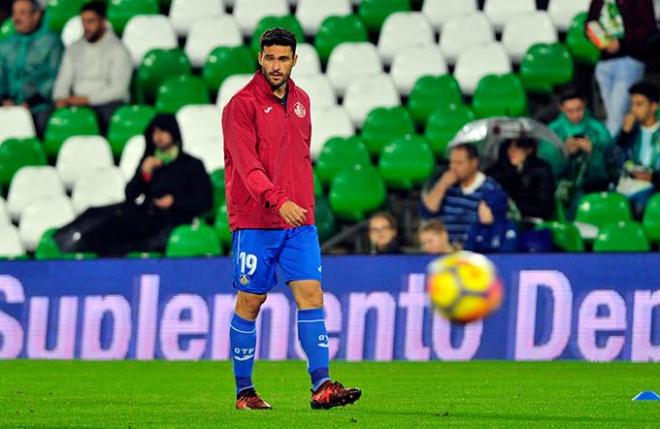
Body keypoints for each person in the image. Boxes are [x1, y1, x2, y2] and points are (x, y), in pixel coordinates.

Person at [221, 28, 361, 410]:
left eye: (283, 58)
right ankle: (244, 392)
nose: (276, 65)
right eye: (270, 58)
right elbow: (247, 168)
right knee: (251, 300)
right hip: (255, 220)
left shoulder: (302, 101)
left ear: (295, 60)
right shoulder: (240, 105)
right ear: (260, 59)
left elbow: (297, 159)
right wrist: (277, 199)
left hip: (299, 221)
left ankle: (322, 385)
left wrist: (300, 205)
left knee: (312, 295)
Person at [54, 114, 212, 256]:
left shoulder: (192, 165)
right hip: (146, 213)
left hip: (172, 219)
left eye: (162, 131)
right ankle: (62, 238)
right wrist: (144, 173)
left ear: (173, 133)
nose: (157, 137)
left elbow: (205, 201)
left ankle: (77, 245)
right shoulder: (149, 161)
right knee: (99, 212)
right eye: (154, 132)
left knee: (115, 225)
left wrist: (174, 201)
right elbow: (130, 194)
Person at [53, 1, 132, 134]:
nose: (86, 26)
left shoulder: (119, 50)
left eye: (91, 21)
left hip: (106, 103)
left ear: (103, 22)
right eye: (83, 22)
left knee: (108, 115)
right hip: (76, 102)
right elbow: (62, 81)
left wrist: (87, 100)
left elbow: (119, 91)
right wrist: (60, 98)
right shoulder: (74, 48)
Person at [420, 143, 510, 250]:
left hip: (475, 250)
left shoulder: (491, 190)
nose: (453, 167)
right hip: (445, 251)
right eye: (451, 162)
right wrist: (442, 185)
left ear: (474, 163)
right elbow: (426, 212)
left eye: (459, 163)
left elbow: (494, 228)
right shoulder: (446, 185)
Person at [587, 0, 657, 137]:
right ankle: (623, 151)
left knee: (616, 117)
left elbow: (648, 28)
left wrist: (621, 43)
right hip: (604, 63)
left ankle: (610, 154)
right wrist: (599, 39)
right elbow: (590, 23)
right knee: (614, 115)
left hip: (629, 60)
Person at [0, 0, 63, 136]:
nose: (16, 18)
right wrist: (4, 99)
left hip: (39, 106)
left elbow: (54, 77)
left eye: (22, 13)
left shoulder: (51, 42)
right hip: (8, 105)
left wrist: (30, 102)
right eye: (14, 13)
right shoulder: (5, 45)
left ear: (36, 15)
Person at [549, 87, 614, 214]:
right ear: (561, 108)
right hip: (560, 187)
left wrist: (592, 153)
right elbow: (548, 167)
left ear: (584, 105)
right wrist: (563, 154)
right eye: (570, 111)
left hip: (592, 186)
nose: (575, 115)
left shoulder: (598, 130)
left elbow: (610, 167)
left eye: (579, 109)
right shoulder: (553, 131)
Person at [616, 81, 660, 215]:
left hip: (653, 189)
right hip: (627, 185)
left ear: (653, 106)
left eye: (639, 104)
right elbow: (613, 163)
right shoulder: (629, 132)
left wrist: (653, 178)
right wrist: (624, 135)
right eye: (632, 104)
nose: (633, 109)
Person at [487, 138, 555, 220]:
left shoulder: (542, 169)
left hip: (531, 221)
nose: (512, 150)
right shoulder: (503, 168)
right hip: (506, 219)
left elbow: (544, 207)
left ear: (529, 150)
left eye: (518, 146)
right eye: (510, 146)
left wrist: (513, 206)